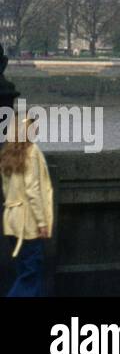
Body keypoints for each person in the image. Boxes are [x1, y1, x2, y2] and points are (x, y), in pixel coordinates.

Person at [1, 114, 54, 296]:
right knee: (31, 276)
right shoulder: (32, 152)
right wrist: (42, 222)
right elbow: (33, 191)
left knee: (26, 271)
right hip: (28, 223)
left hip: (12, 221)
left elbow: (6, 190)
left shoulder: (6, 155)